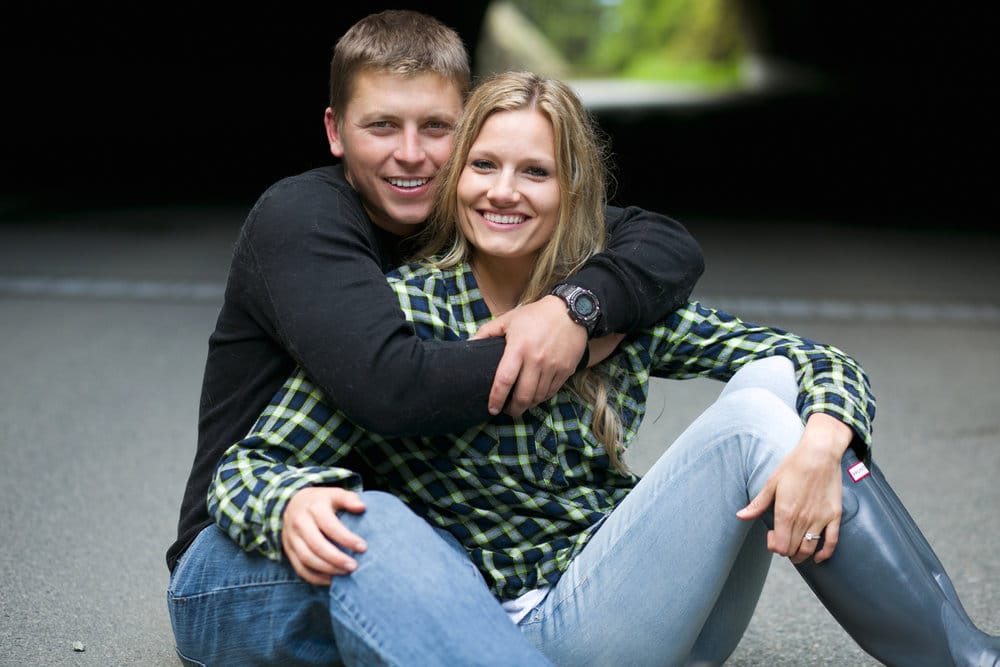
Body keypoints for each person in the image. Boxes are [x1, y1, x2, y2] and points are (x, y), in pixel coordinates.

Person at [212, 71, 1000, 667]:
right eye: (484, 166)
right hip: (524, 631)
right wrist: (285, 502)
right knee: (758, 421)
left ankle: (961, 650)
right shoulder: (408, 309)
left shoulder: (607, 304)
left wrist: (825, 443)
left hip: (640, 607)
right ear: (457, 181)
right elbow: (247, 465)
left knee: (772, 391)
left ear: (572, 188)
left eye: (535, 172)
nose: (503, 193)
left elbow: (818, 359)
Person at [166, 9, 704, 667]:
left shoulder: (474, 209)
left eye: (438, 128)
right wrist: (561, 349)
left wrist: (572, 307)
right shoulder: (301, 218)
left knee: (440, 553)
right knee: (379, 524)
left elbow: (663, 243)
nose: (412, 153)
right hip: (249, 553)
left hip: (428, 552)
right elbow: (390, 387)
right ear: (336, 132)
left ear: (469, 130)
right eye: (382, 125)